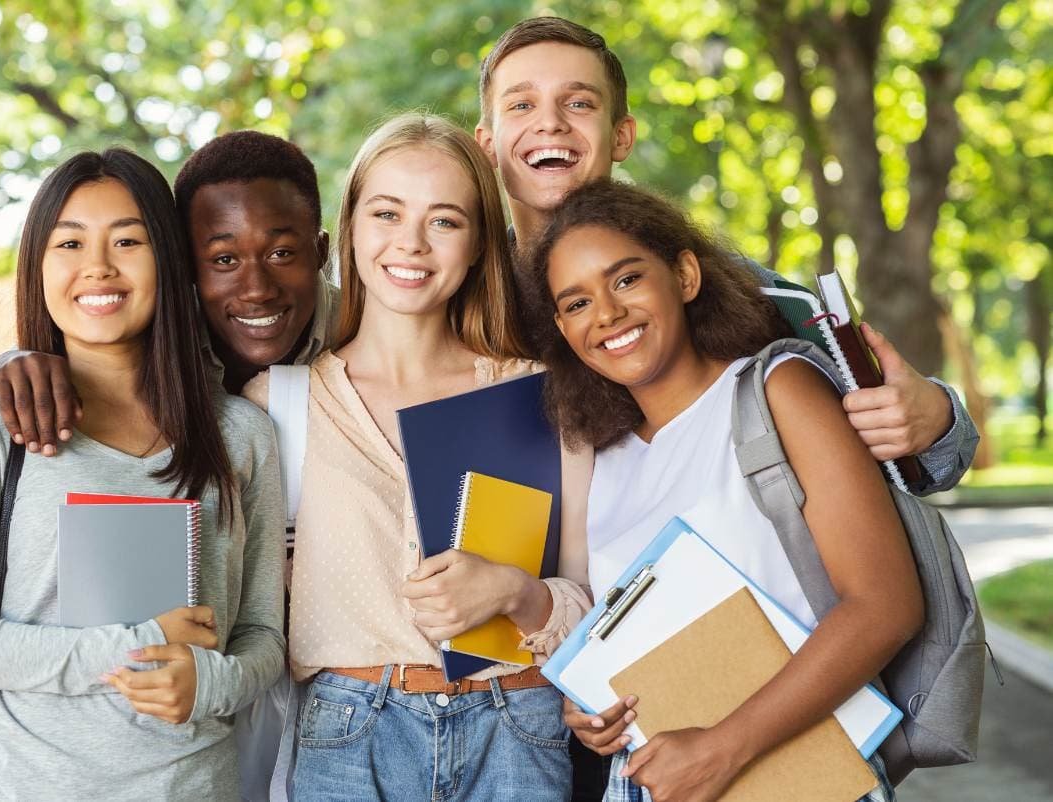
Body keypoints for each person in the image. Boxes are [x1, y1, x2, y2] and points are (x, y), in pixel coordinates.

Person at [0, 148, 286, 799]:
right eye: (69, 243)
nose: (98, 268)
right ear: (39, 264)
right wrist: (132, 648)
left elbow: (263, 636)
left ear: (168, 258)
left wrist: (210, 682)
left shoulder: (241, 436)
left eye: (128, 240)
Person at [530, 178, 923, 802]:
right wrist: (595, 712)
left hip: (799, 778)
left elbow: (886, 607)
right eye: (576, 303)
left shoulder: (777, 390)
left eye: (626, 279)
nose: (606, 314)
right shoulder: (603, 456)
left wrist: (721, 748)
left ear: (685, 276)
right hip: (652, 784)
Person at [240, 113, 593, 801]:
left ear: (478, 243)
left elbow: (595, 599)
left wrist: (517, 594)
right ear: (350, 228)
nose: (411, 244)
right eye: (387, 213)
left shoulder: (541, 395)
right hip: (348, 737)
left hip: (515, 730)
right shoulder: (276, 405)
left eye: (444, 221)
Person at [473, 16, 979, 495]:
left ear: (621, 135)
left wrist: (934, 420)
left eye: (579, 103)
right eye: (521, 105)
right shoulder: (457, 303)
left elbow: (908, 468)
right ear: (487, 145)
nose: (551, 124)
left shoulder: (747, 294)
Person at [0, 131, 336, 515]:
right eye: (223, 259)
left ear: (320, 252)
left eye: (281, 254)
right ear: (183, 264)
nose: (256, 288)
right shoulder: (139, 344)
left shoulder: (363, 335)